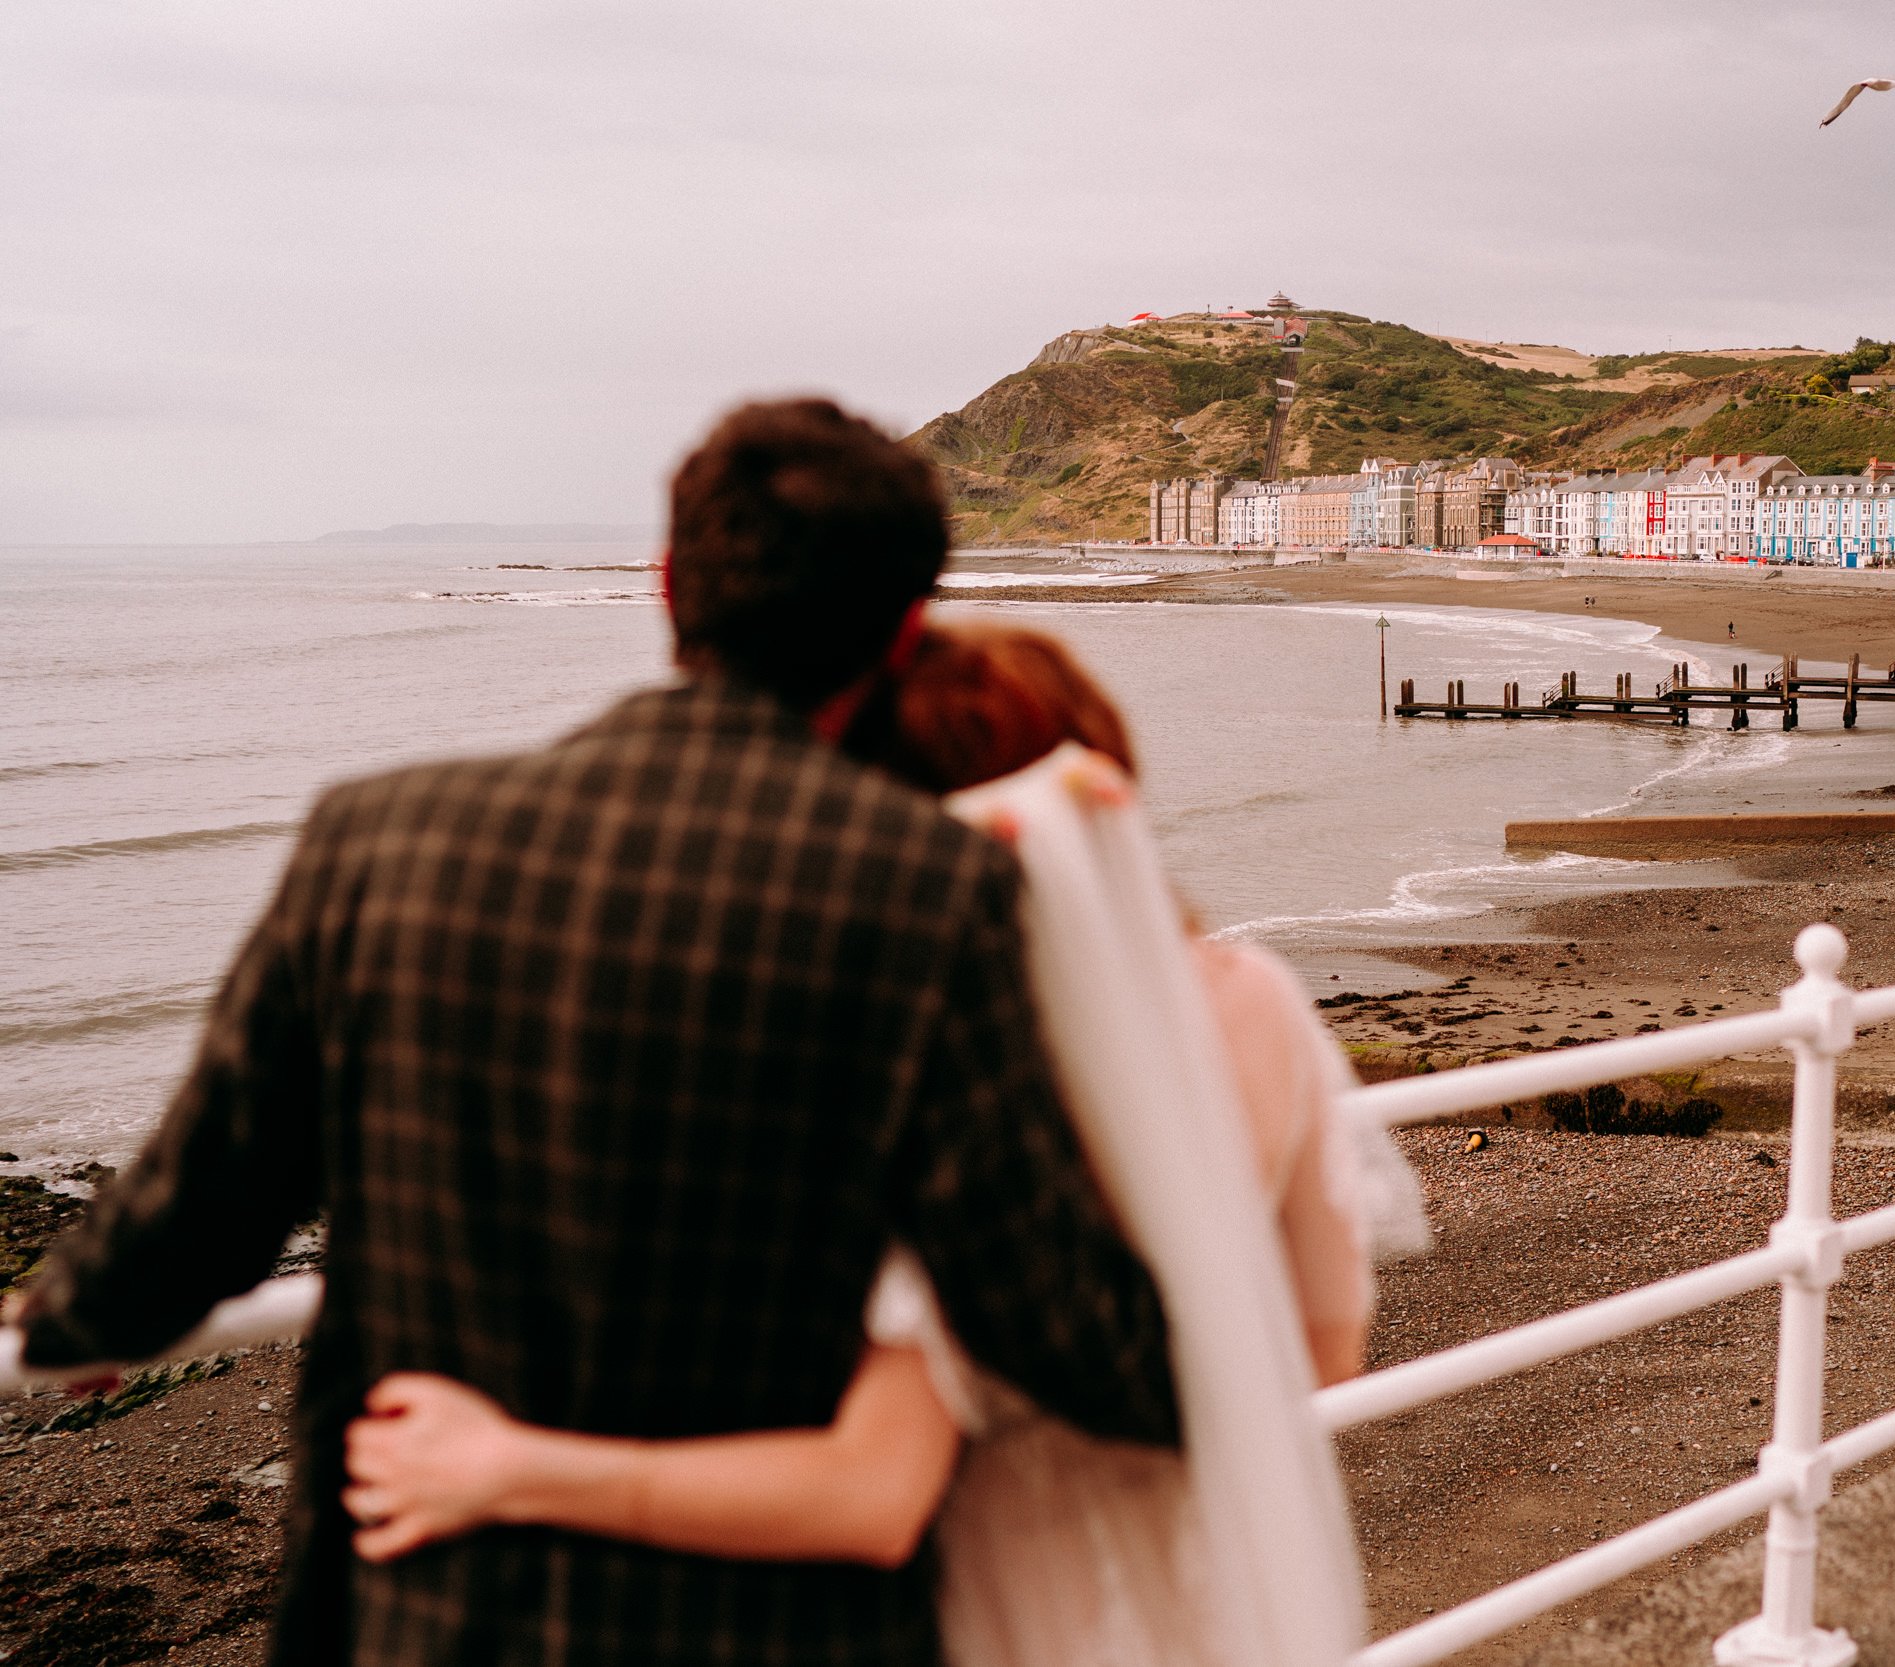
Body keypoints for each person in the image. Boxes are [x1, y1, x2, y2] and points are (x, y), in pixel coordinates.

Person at [4, 400, 1180, 1667]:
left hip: (424, 1619)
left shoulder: (379, 838)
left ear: (671, 586)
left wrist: (71, 1320)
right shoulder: (927, 891)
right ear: (903, 627)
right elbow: (1042, 1308)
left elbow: (210, 1197)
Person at [335, 623, 1409, 1666]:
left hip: (1018, 1615)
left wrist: (508, 1465)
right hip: (1221, 1595)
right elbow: (1324, 1346)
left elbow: (872, 1493)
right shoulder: (1254, 1000)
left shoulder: (948, 1088)